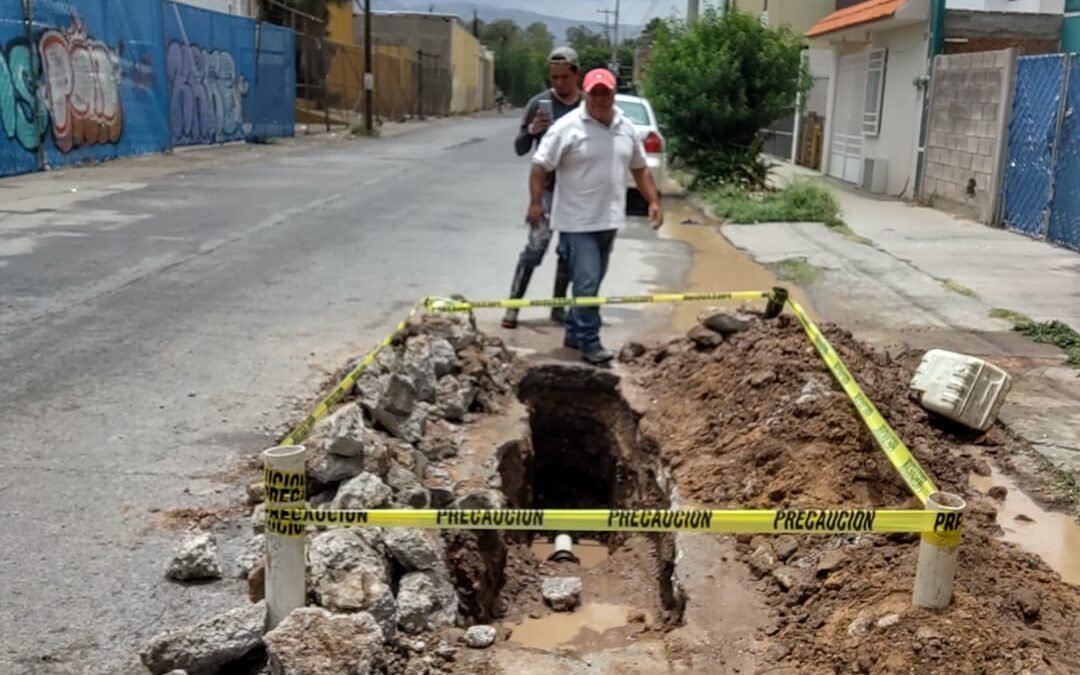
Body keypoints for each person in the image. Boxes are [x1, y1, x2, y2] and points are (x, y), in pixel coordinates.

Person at [530, 68, 663, 365]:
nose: (600, 99)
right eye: (595, 93)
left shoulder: (625, 127)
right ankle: (590, 343)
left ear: (614, 94)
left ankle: (574, 333)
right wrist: (536, 203)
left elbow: (640, 169)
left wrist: (653, 200)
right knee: (587, 284)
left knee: (590, 283)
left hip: (609, 220)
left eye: (606, 93)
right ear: (586, 94)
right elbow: (540, 165)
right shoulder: (568, 127)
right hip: (576, 222)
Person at [501, 46, 583, 330]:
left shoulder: (586, 107)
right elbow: (520, 148)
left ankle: (558, 307)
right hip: (546, 191)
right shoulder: (539, 103)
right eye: (553, 78)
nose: (558, 84)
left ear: (576, 75)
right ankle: (513, 307)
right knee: (535, 248)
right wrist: (532, 130)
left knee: (568, 252)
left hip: (575, 193)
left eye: (563, 77)